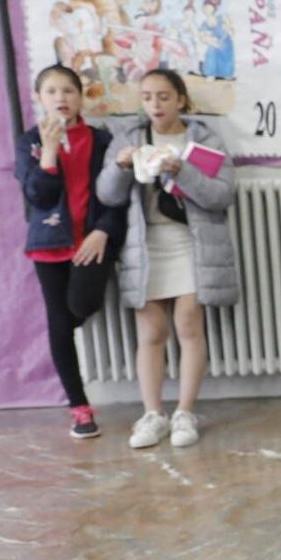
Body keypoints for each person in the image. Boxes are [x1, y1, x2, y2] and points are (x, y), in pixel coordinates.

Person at [97, 67, 237, 449]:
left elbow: (222, 196)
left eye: (163, 96)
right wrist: (121, 166)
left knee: (190, 326)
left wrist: (183, 170)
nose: (154, 104)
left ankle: (184, 413)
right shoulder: (127, 138)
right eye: (147, 97)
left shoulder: (204, 138)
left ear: (180, 100)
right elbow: (107, 195)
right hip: (144, 248)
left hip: (193, 244)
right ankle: (152, 415)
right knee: (151, 332)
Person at [14, 65, 124, 439]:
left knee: (81, 306)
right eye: (51, 91)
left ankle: (78, 401)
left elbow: (117, 194)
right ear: (39, 98)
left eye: (68, 90)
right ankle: (80, 409)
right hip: (50, 245)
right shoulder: (28, 140)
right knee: (59, 327)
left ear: (81, 96)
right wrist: (48, 151)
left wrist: (103, 231)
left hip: (92, 242)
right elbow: (38, 197)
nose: (61, 98)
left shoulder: (102, 140)